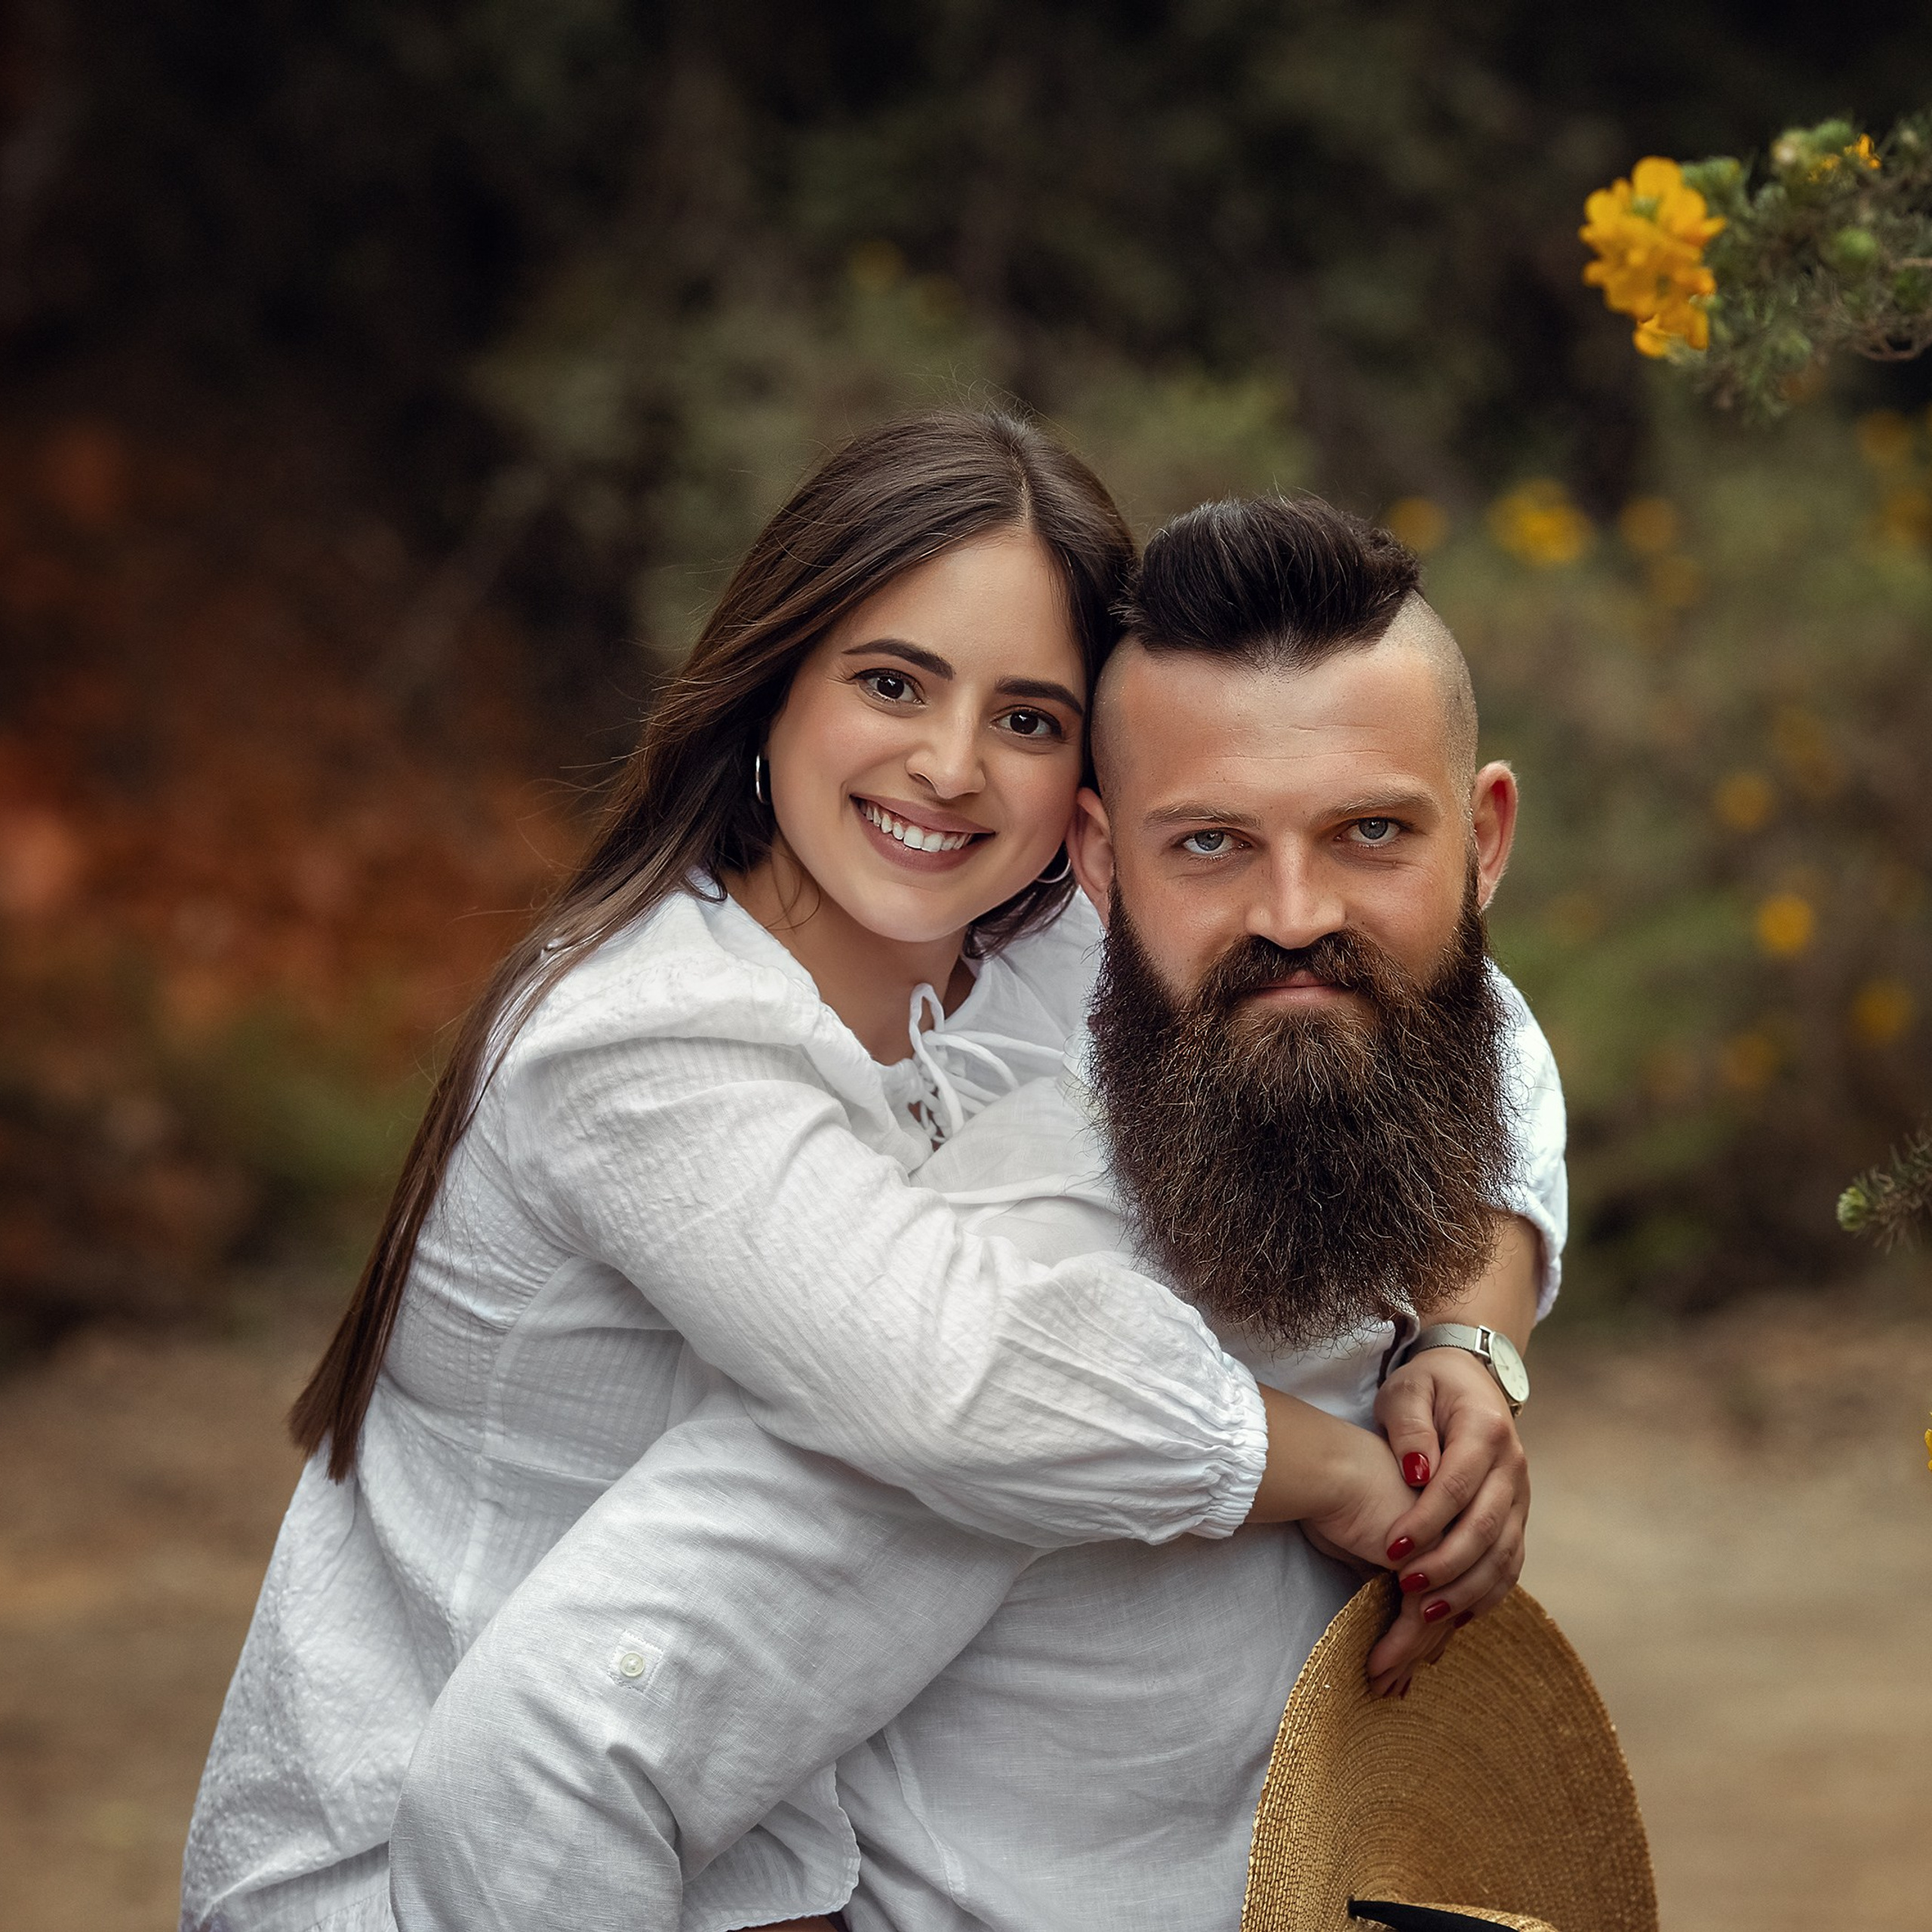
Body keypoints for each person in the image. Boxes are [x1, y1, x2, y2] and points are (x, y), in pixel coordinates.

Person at [180, 418, 1547, 1932]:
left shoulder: (1052, 940)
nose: (949, 766)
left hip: (729, 1793)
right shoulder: (635, 1038)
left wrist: (1469, 1342)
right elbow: (956, 1378)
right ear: (772, 680)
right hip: (430, 1844)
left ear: (1083, 809)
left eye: (1028, 718)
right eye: (891, 682)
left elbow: (1453, 1011)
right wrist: (1350, 1474)